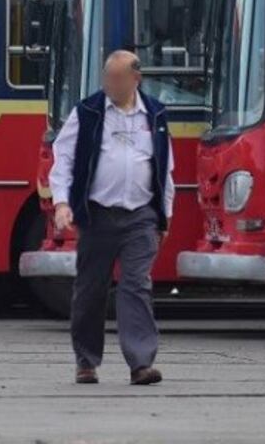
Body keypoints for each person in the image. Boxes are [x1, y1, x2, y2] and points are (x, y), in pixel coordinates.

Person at [49, 50, 174, 385]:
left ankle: (140, 364)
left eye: (117, 78)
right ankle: (86, 361)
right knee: (90, 290)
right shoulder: (87, 111)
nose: (110, 84)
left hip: (141, 216)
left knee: (136, 286)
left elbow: (165, 169)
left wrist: (165, 216)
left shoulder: (155, 114)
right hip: (98, 215)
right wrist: (62, 203)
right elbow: (62, 160)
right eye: (107, 77)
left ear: (136, 79)